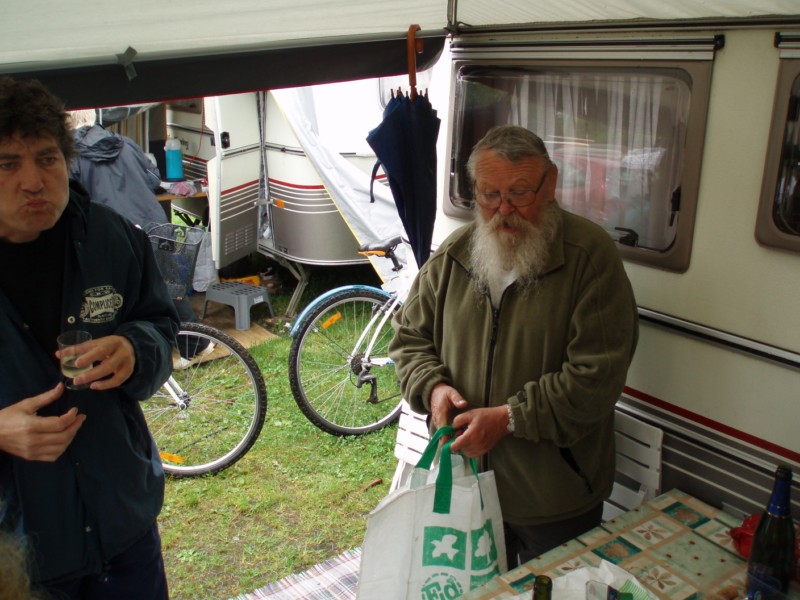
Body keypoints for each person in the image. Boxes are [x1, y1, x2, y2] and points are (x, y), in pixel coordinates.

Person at [389, 125, 639, 568]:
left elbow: (596, 378)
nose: (503, 210)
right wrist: (433, 388)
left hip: (554, 500)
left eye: (519, 193)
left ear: (551, 185)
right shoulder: (456, 253)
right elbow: (409, 338)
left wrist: (510, 419)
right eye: (489, 195)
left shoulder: (589, 257)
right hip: (467, 489)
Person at [0, 77, 179, 598]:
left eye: (47, 158)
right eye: (7, 164)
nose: (34, 180)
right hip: (20, 551)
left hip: (122, 523)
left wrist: (134, 348)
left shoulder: (109, 236)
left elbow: (160, 325)